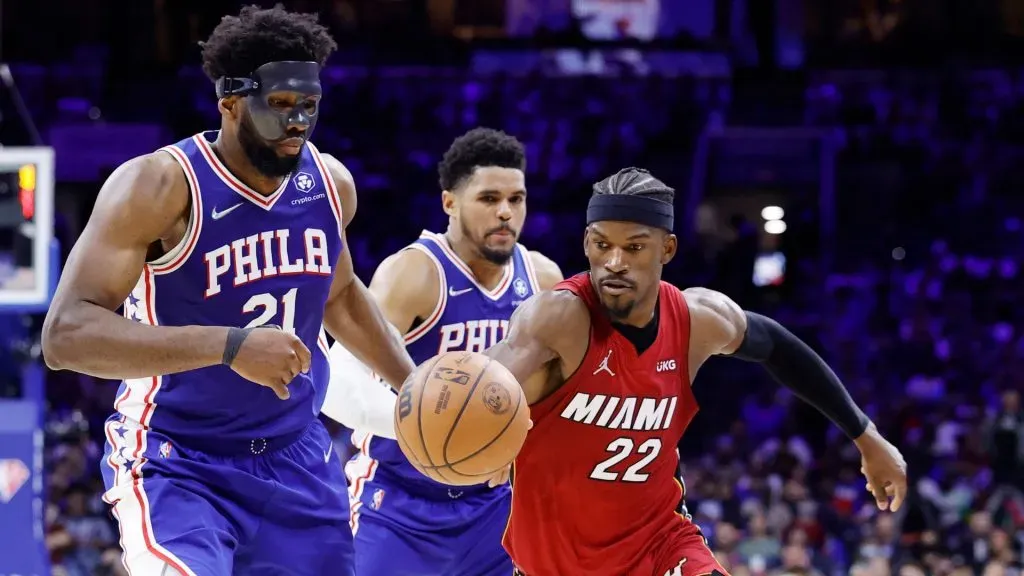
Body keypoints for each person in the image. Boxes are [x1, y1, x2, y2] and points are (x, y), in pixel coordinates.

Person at [40, 6, 415, 576]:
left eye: (308, 107)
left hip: (297, 463)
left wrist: (411, 386)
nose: (297, 123)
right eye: (281, 106)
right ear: (231, 102)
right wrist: (229, 345)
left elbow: (339, 296)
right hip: (180, 462)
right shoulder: (160, 186)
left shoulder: (331, 185)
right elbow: (64, 336)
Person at [481, 167, 909, 576]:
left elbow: (778, 345)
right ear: (586, 244)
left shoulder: (697, 320)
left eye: (634, 247)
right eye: (601, 244)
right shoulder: (557, 318)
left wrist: (866, 437)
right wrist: (480, 430)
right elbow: (483, 387)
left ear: (666, 249)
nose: (614, 261)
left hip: (661, 547)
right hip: (553, 562)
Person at [321, 127, 563, 575]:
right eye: (489, 199)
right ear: (450, 203)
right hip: (399, 505)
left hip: (498, 507)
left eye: (517, 199)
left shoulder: (544, 281)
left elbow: (566, 391)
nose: (506, 213)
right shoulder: (415, 273)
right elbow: (336, 383)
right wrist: (430, 425)